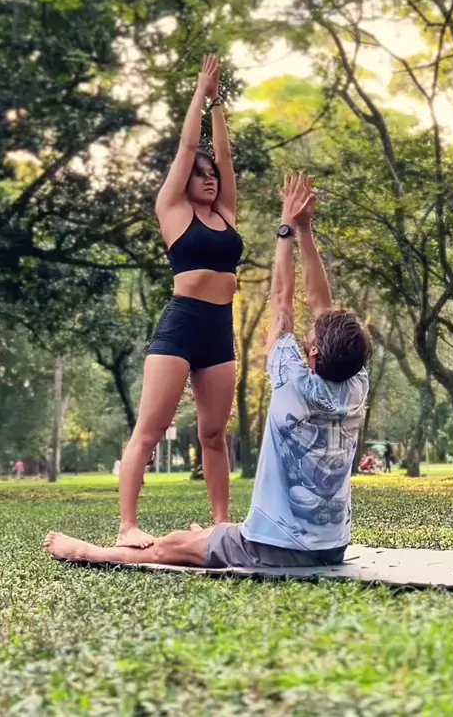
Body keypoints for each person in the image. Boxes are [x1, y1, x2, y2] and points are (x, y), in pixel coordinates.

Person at [44, 173, 371, 571]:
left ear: (314, 354)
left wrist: (289, 228)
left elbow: (283, 300)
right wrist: (305, 229)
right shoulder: (357, 385)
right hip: (332, 546)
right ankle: (214, 533)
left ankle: (86, 552)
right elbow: (322, 304)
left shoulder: (292, 381)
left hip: (275, 548)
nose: (310, 330)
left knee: (172, 545)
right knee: (209, 535)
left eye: (312, 336)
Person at [116, 54, 243, 549]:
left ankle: (221, 522)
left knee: (213, 434)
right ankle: (128, 526)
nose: (210, 178)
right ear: (185, 179)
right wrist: (199, 94)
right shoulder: (172, 208)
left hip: (219, 328)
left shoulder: (226, 213)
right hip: (182, 324)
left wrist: (219, 105)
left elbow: (224, 158)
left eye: (213, 175)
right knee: (149, 431)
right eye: (200, 174)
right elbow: (189, 146)